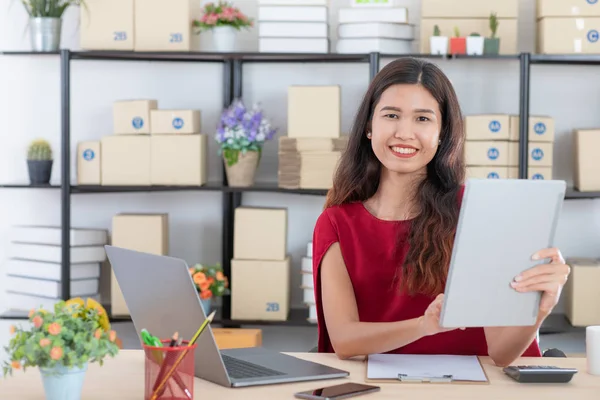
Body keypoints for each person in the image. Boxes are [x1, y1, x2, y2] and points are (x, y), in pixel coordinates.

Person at [311, 57, 570, 367]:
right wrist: (424, 325)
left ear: (442, 132)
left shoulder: (480, 212)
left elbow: (502, 353)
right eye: (391, 115)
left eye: (423, 119)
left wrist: (541, 304)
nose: (404, 133)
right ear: (369, 126)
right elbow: (345, 341)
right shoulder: (337, 222)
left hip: (479, 390)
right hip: (378, 388)